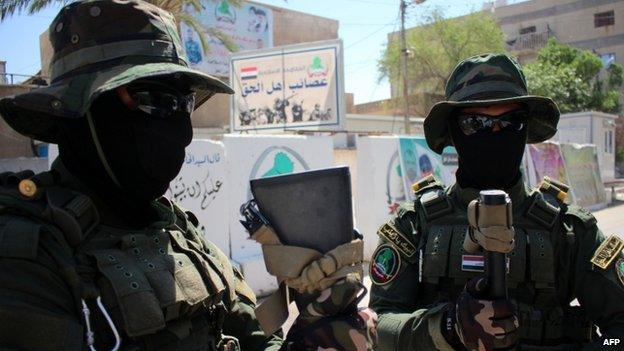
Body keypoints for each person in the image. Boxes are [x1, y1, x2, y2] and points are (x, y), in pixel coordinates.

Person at [0, 1, 282, 350]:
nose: (180, 128)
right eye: (156, 100)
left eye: (184, 104)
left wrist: (316, 332)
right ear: (80, 111)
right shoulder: (25, 250)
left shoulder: (174, 227)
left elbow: (250, 334)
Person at [369, 53, 624, 350]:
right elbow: (376, 327)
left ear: (526, 128)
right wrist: (446, 328)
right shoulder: (413, 225)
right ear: (453, 131)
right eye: (475, 122)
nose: (494, 133)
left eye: (511, 121)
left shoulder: (571, 230)